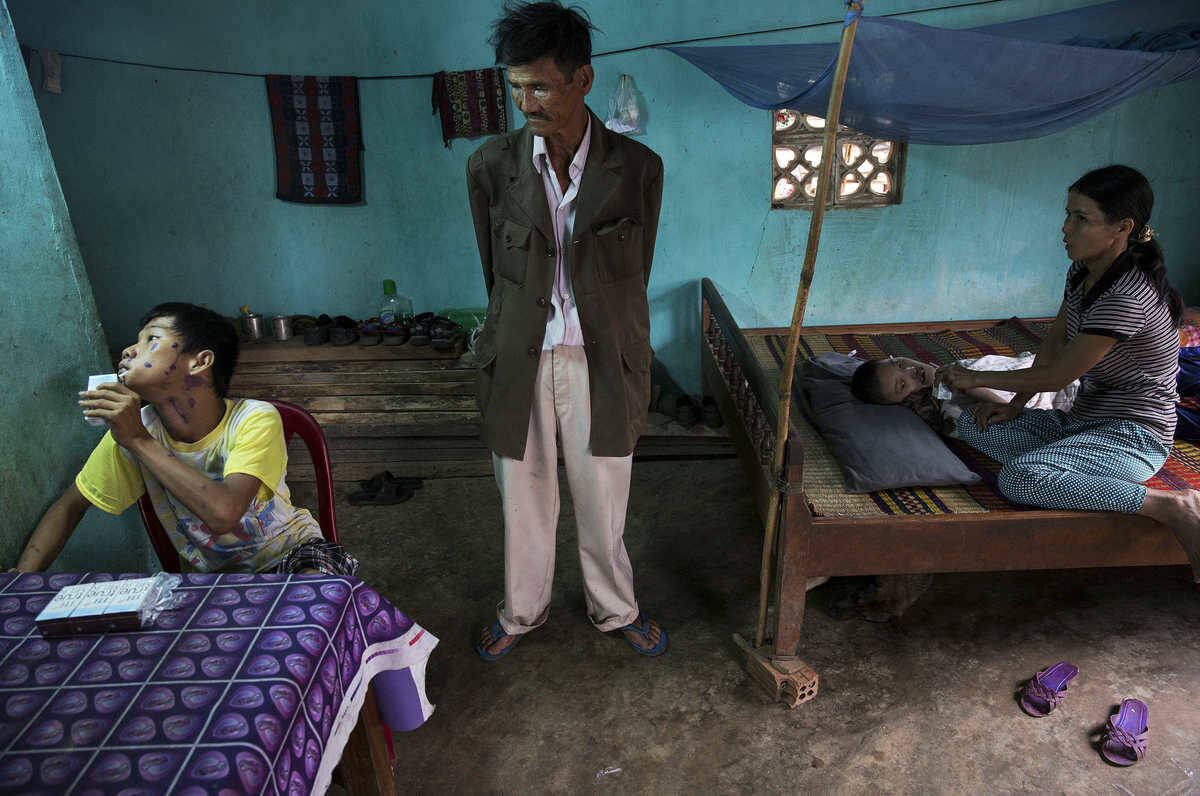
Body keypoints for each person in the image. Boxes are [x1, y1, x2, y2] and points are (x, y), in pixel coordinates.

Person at [466, 1, 666, 659]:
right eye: (517, 86)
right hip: (519, 352)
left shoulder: (637, 169)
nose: (527, 102)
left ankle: (616, 608)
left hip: (600, 355)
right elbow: (496, 272)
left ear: (583, 79)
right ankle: (521, 611)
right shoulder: (490, 166)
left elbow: (635, 271)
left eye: (542, 87)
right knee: (521, 495)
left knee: (603, 494)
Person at [938, 164, 1200, 581]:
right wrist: (1015, 405)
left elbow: (1057, 378)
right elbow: (1052, 346)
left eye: (1081, 218)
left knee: (1020, 479)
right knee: (970, 422)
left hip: (1134, 435)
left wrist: (975, 379)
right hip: (1082, 421)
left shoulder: (1128, 295)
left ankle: (1170, 504)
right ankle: (1068, 468)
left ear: (1122, 228)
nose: (1065, 229)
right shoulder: (1082, 271)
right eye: (1068, 215)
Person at [11, 303, 358, 576]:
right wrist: (21, 581)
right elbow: (70, 505)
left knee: (315, 599)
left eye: (151, 340)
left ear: (200, 362)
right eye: (136, 340)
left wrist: (137, 439)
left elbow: (224, 514)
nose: (129, 350)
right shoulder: (135, 429)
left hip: (292, 556)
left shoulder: (254, 419)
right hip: (214, 580)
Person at [850, 354, 1077, 434]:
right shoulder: (947, 410)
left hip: (1059, 368)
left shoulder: (949, 369)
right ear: (902, 402)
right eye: (902, 385)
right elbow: (1015, 416)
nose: (911, 371)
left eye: (901, 364)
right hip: (1064, 392)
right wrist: (972, 385)